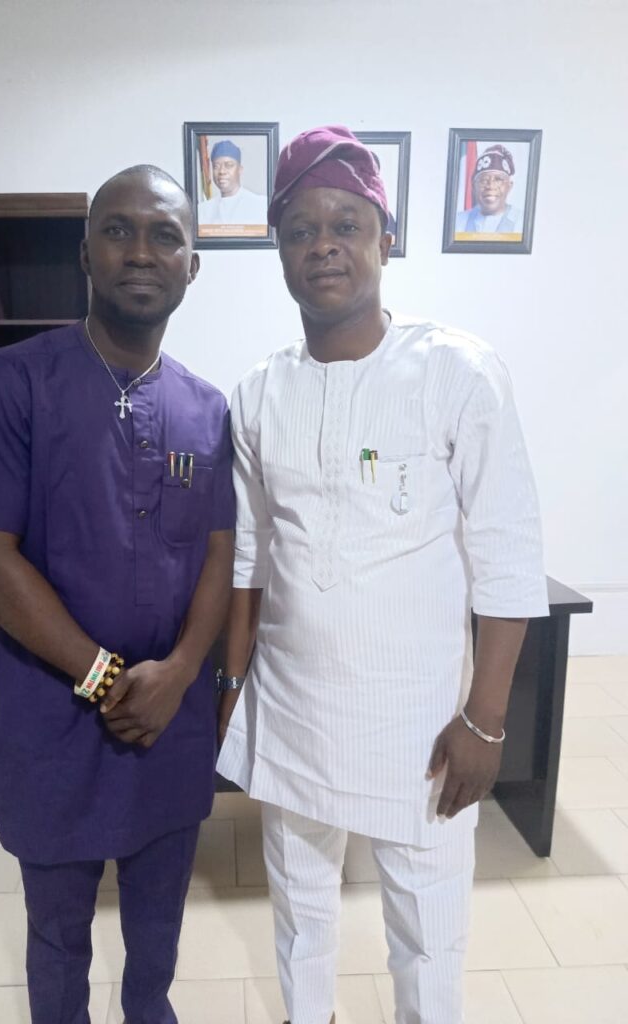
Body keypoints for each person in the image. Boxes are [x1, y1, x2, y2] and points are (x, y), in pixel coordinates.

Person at [216, 125, 547, 1024]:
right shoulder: (258, 392)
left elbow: (508, 554)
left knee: (429, 927)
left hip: (420, 717)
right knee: (299, 907)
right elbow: (249, 554)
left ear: (385, 241)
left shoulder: (456, 371)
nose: (323, 245)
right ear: (278, 250)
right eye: (300, 230)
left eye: (346, 225)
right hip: (292, 703)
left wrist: (484, 719)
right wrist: (234, 686)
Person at [0, 165, 235, 1024]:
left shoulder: (207, 410)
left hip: (168, 723)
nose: (141, 251)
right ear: (85, 254)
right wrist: (104, 677)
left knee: (158, 930)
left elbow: (220, 551)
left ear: (191, 265)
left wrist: (182, 673)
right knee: (59, 936)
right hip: (54, 719)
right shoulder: (14, 382)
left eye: (165, 235)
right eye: (118, 230)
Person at [455, 143, 523, 235]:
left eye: (498, 179)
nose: (490, 186)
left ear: (509, 186)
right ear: (474, 186)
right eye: (483, 180)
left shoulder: (522, 221)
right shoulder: (457, 221)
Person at [197, 139, 268, 226]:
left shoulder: (260, 205)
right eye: (216, 166)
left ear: (240, 170)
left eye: (229, 165)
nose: (222, 171)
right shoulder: (203, 210)